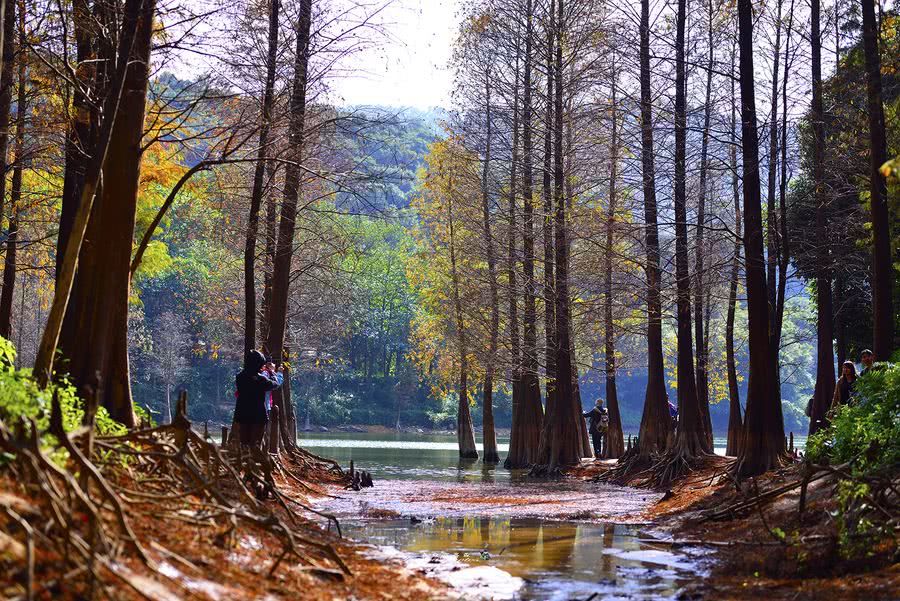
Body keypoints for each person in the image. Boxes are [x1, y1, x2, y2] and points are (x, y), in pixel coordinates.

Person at [234, 349, 282, 450]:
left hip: (242, 414)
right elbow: (275, 384)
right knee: (255, 445)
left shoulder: (239, 377)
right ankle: (254, 463)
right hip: (258, 416)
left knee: (244, 443)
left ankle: (244, 462)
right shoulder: (260, 379)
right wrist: (272, 372)